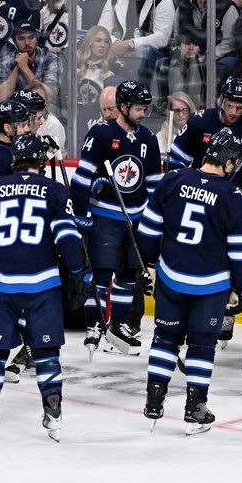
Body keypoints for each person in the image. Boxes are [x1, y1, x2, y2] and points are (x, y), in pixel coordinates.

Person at [135, 129, 242, 433]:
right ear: (226, 161)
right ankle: (195, 407)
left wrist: (146, 265)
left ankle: (154, 398)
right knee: (201, 344)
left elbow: (147, 230)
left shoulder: (172, 180)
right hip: (210, 286)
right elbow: (239, 250)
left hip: (171, 278)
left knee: (165, 338)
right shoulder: (232, 196)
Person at [0, 133, 85, 440]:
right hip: (43, 284)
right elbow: (67, 238)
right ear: (42, 162)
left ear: (14, 161)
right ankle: (53, 411)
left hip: (2, 284)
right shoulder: (55, 190)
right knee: (46, 350)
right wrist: (79, 273)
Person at [70, 81, 163, 356]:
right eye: (137, 107)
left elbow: (155, 184)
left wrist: (153, 217)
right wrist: (81, 213)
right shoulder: (100, 133)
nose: (142, 113)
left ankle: (119, 324)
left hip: (136, 216)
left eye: (145, 108)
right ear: (122, 107)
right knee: (99, 273)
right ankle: (94, 325)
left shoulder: (148, 137)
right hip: (105, 215)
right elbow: (82, 177)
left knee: (128, 276)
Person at [98, 0, 176, 85]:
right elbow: (101, 30)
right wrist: (117, 45)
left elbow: (162, 37)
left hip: (151, 56)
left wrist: (130, 44)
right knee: (97, 44)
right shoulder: (114, 0)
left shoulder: (163, 1)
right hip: (118, 53)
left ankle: (141, 94)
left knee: (143, 50)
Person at [0, 18, 61, 103]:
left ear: (36, 38)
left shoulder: (50, 59)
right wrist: (17, 67)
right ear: (14, 41)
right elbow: (0, 98)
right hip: (15, 110)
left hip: (44, 108)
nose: (27, 43)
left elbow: (47, 96)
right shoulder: (5, 62)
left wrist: (25, 68)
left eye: (31, 38)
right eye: (21, 39)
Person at [156, 91, 197, 158]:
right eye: (176, 111)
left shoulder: (198, 132)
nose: (181, 115)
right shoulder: (163, 134)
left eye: (185, 110)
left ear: (190, 111)